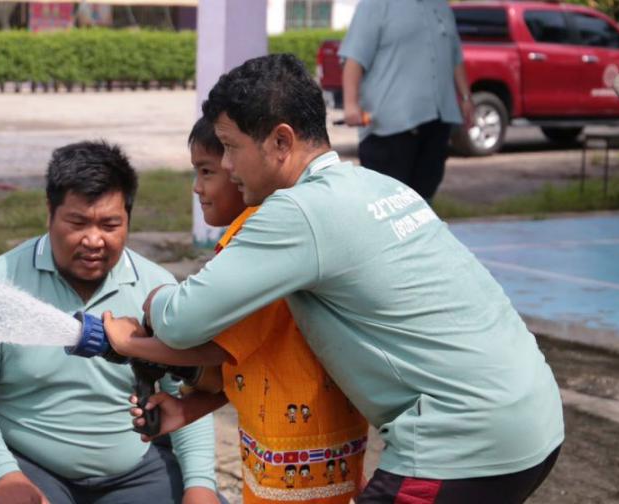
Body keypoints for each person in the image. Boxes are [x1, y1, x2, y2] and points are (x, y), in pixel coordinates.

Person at [103, 54, 564, 504]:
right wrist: (194, 403)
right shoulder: (379, 186)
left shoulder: (295, 212)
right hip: (534, 420)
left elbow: (182, 322)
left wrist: (149, 308)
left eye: (231, 146)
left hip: (460, 444)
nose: (225, 165)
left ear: (280, 141)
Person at [0, 141, 221, 504]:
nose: (93, 240)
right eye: (77, 223)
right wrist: (3, 476)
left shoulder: (160, 291)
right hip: (30, 466)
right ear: (50, 212)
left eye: (110, 225)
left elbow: (187, 392)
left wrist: (200, 485)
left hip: (138, 473)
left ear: (129, 219)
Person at [107, 117, 368, 503]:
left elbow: (219, 348)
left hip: (293, 449)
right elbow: (253, 351)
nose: (197, 187)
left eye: (207, 171)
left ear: (240, 168)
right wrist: (191, 406)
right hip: (310, 440)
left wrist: (129, 344)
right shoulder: (275, 230)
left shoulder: (255, 241)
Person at [338, 0, 474, 201]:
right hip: (389, 127)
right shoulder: (375, 5)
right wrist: (351, 105)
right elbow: (354, 59)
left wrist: (466, 97)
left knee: (423, 201)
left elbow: (455, 57)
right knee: (385, 204)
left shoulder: (441, 6)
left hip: (437, 122)